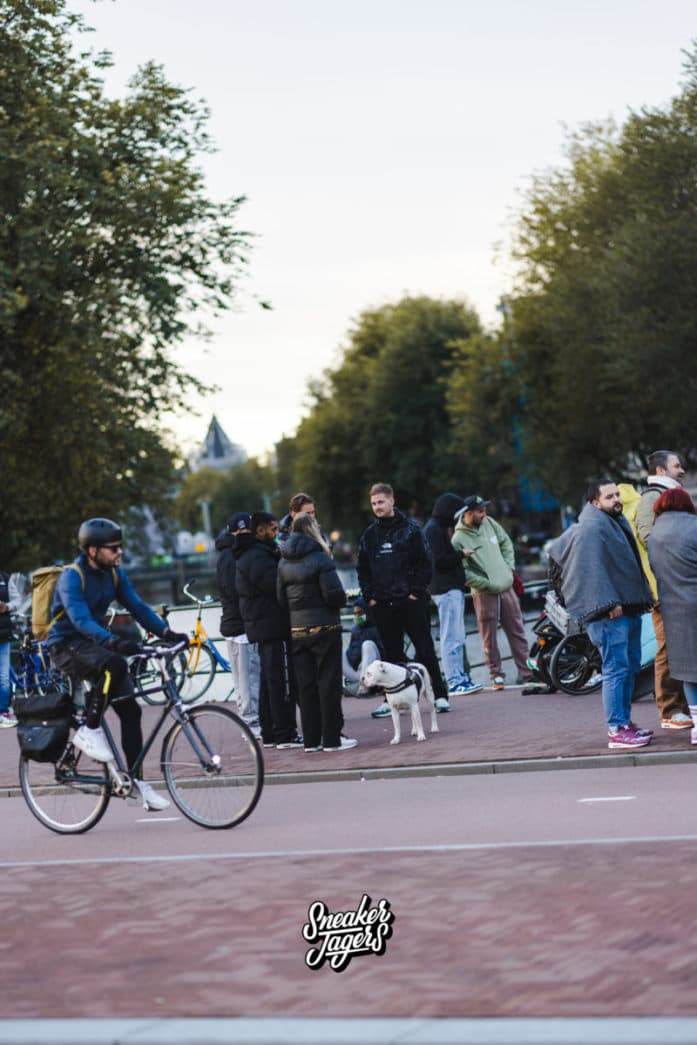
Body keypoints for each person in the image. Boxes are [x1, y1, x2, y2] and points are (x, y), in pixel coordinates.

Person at [46, 518, 189, 810]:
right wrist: (111, 641)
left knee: (131, 712)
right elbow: (80, 620)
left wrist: (166, 632)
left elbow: (137, 607)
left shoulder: (113, 574)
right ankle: (90, 729)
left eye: (119, 547)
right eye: (112, 548)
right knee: (115, 664)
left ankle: (135, 782)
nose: (119, 552)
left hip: (92, 643)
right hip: (65, 645)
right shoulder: (72, 577)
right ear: (92, 550)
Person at [547, 480, 654, 749]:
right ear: (596, 502)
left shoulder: (612, 523)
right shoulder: (593, 529)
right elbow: (590, 571)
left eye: (617, 494)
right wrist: (608, 603)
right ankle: (616, 729)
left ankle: (625, 723)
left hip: (626, 607)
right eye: (610, 496)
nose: (617, 499)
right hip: (609, 613)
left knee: (628, 667)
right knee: (616, 669)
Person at [356, 482, 450, 718]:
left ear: (392, 501)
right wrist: (370, 597)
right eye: (374, 503)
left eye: (381, 502)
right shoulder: (369, 535)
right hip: (383, 604)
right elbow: (362, 569)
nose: (377, 507)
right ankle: (391, 700)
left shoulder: (411, 529)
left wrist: (415, 592)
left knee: (425, 649)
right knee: (390, 655)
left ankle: (439, 696)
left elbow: (426, 563)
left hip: (411, 601)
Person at [277, 512, 357, 752]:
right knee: (328, 683)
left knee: (306, 686)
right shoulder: (321, 558)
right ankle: (332, 739)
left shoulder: (282, 561)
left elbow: (281, 599)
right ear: (313, 531)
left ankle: (311, 741)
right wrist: (342, 600)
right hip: (325, 626)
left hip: (297, 630)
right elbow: (333, 594)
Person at [633, 450, 692, 730]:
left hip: (672, 587)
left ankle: (684, 706)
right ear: (660, 470)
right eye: (676, 466)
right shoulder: (650, 499)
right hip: (663, 590)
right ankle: (669, 710)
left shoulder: (662, 498)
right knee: (668, 649)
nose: (681, 470)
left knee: (682, 649)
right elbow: (650, 539)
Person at [451, 495, 535, 690]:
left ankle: (528, 674)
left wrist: (509, 568)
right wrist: (485, 583)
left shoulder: (490, 522)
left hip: (506, 587)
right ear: (468, 514)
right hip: (483, 593)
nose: (484, 513)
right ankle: (496, 675)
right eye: (480, 511)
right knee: (488, 637)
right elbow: (462, 571)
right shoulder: (458, 539)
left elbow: (506, 543)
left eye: (485, 509)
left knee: (518, 632)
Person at [234, 511, 302, 749]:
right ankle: (285, 733)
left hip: (262, 624)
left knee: (267, 680)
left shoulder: (251, 554)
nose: (276, 533)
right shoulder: (259, 557)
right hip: (273, 624)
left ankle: (271, 732)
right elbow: (275, 586)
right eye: (272, 529)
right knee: (280, 680)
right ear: (260, 530)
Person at [648, 487, 697, 745]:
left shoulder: (654, 534)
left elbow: (655, 570)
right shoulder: (694, 525)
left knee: (688, 669)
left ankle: (696, 726)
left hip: (672, 608)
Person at [423, 493, 482, 696]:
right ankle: (455, 679)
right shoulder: (434, 531)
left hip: (449, 589)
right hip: (445, 589)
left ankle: (458, 676)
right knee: (451, 636)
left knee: (457, 635)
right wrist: (461, 554)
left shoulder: (435, 528)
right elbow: (439, 560)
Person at [215, 511, 261, 738]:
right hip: (241, 626)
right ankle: (251, 726)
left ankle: (249, 722)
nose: (243, 534)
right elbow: (236, 592)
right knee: (248, 678)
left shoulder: (225, 555)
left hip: (233, 624)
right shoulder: (233, 557)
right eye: (240, 531)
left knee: (244, 679)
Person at [342, 597, 384, 693]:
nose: (357, 616)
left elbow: (383, 653)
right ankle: (356, 683)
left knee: (367, 645)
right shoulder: (355, 629)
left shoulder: (378, 627)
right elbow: (351, 651)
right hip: (357, 671)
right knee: (339, 651)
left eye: (360, 613)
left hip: (373, 671)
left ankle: (363, 684)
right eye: (355, 613)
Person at [0, 571, 23, 727]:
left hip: (3, 636)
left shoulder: (5, 579)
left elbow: (17, 601)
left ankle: (2, 713)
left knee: (3, 677)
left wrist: (6, 606)